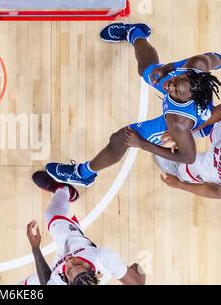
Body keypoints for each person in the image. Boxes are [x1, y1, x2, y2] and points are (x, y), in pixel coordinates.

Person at [46, 23, 221, 187]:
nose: (170, 86)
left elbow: (189, 157)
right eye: (176, 80)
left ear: (185, 98)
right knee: (147, 70)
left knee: (121, 138)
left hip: (189, 122)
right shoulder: (197, 65)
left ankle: (83, 174)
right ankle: (135, 32)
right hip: (200, 112)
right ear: (188, 73)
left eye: (176, 91)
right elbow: (217, 58)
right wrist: (166, 70)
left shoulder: (177, 122)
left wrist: (142, 144)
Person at [22, 171, 146, 285]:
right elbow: (138, 280)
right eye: (77, 263)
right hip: (77, 246)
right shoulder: (103, 259)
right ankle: (64, 190)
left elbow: (47, 282)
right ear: (89, 267)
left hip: (57, 273)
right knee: (51, 214)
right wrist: (128, 271)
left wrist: (35, 248)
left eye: (69, 270)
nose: (70, 261)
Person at [158, 105, 221, 199]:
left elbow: (217, 192)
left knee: (183, 171)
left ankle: (179, 166)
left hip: (214, 167)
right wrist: (187, 132)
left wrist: (180, 185)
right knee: (201, 116)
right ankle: (199, 125)